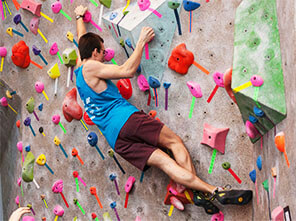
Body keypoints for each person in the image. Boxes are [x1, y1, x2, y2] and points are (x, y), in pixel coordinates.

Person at [74, 5, 252, 214]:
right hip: (126, 119)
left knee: (167, 163)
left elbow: (82, 41)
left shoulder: (79, 71)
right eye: (102, 52)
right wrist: (140, 42)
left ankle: (203, 192)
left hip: (117, 140)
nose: (105, 56)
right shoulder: (89, 66)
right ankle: (212, 190)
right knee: (174, 142)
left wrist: (79, 17)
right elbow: (126, 70)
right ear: (94, 52)